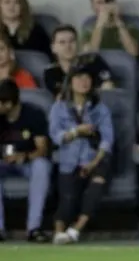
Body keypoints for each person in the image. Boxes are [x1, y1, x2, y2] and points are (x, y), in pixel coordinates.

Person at [48, 65, 114, 244]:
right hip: (69, 160)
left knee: (96, 186)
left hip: (94, 159)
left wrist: (93, 162)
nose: (84, 82)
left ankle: (76, 229)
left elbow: (107, 140)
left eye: (87, 78)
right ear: (70, 83)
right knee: (68, 199)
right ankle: (59, 232)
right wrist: (77, 131)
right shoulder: (58, 108)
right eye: (79, 78)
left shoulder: (100, 109)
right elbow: (56, 137)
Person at [0, 80, 51, 242]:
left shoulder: (33, 114)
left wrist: (24, 156)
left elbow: (42, 149)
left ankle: (34, 228)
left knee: (42, 165)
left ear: (8, 104)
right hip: (3, 163)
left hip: (27, 162)